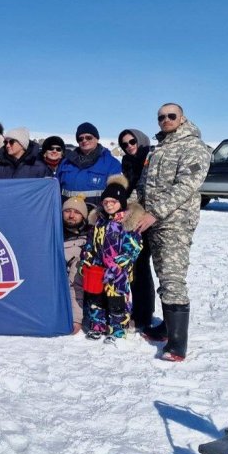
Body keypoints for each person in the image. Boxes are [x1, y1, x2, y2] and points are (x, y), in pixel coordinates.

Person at [136, 103, 211, 362]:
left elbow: (185, 187)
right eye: (161, 117)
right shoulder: (160, 148)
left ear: (182, 118)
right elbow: (144, 184)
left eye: (171, 116)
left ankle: (177, 343)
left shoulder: (194, 147)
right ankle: (167, 327)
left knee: (172, 278)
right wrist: (129, 206)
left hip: (175, 223)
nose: (165, 120)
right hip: (151, 221)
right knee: (161, 273)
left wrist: (154, 213)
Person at [80, 175, 143, 343]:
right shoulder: (99, 222)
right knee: (96, 297)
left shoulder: (127, 224)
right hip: (98, 268)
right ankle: (97, 325)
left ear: (121, 202)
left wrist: (119, 264)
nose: (109, 205)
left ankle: (117, 328)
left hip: (118, 271)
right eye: (106, 202)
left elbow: (134, 248)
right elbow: (91, 244)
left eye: (113, 202)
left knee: (117, 299)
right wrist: (88, 257)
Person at [118, 128, 155, 330]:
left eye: (132, 142)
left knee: (142, 267)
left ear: (140, 141)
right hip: (131, 219)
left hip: (148, 220)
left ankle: (145, 314)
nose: (129, 146)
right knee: (132, 267)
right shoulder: (127, 163)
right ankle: (134, 309)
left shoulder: (152, 159)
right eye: (124, 144)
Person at [56, 122, 122, 207]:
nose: (84, 140)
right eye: (81, 139)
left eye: (88, 137)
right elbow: (55, 189)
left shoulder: (111, 164)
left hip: (97, 216)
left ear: (97, 138)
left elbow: (116, 195)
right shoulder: (66, 163)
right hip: (69, 215)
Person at [62, 195, 89, 335]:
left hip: (74, 291)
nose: (71, 215)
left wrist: (76, 319)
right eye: (68, 211)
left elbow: (75, 285)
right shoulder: (52, 231)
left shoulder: (87, 239)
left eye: (77, 212)